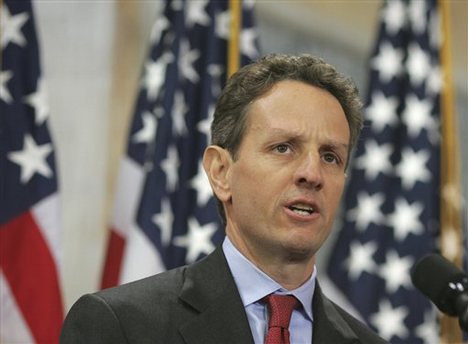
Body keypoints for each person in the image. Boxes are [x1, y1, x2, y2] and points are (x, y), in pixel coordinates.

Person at [60, 54, 387, 344]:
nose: (312, 174)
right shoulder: (122, 325)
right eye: (283, 147)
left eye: (330, 157)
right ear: (220, 172)